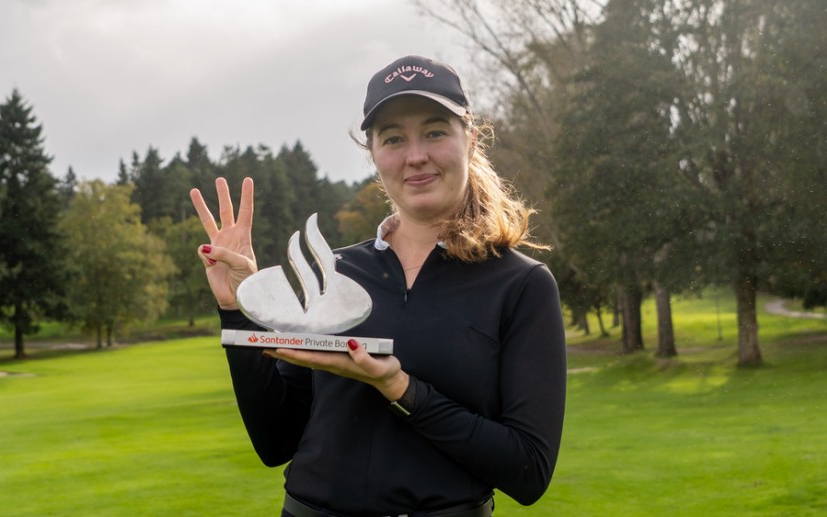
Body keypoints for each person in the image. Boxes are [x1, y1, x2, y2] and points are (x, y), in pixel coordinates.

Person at [190, 55, 566, 517]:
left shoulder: (521, 284)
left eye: (434, 131)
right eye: (393, 138)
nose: (415, 155)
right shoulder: (334, 274)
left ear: (469, 142)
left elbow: (528, 471)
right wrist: (238, 311)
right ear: (373, 155)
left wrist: (400, 388)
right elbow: (276, 441)